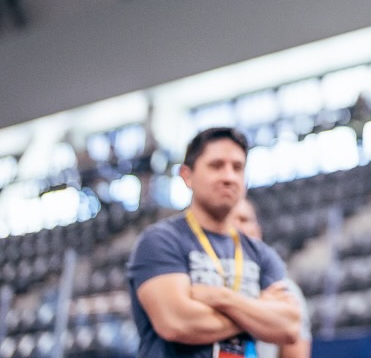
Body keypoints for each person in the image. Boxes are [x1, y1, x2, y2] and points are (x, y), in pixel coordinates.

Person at [127, 127, 301, 358]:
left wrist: (222, 298)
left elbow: (289, 327)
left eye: (237, 167)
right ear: (187, 175)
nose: (229, 177)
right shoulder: (161, 241)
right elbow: (176, 322)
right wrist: (258, 310)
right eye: (216, 165)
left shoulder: (261, 253)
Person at [229, 197, 312, 358]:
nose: (237, 226)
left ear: (258, 230)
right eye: (228, 219)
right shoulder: (199, 279)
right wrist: (259, 309)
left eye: (244, 219)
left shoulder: (284, 288)